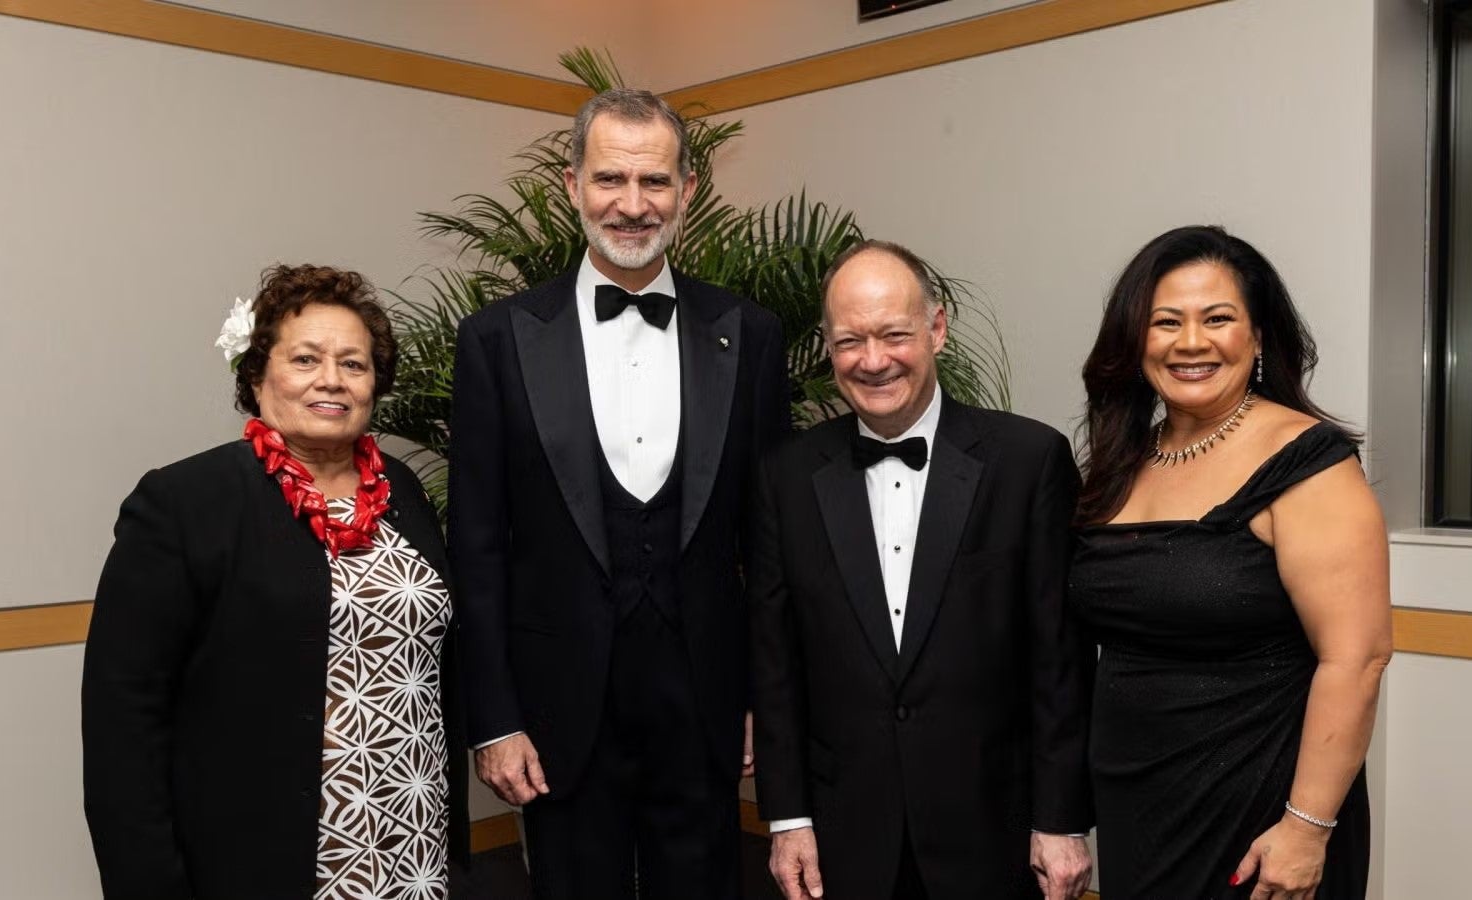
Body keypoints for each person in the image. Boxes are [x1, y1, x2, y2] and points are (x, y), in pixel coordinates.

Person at [448, 88, 789, 899]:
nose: (632, 206)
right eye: (610, 180)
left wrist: (760, 700)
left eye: (655, 183)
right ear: (571, 186)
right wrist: (494, 718)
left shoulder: (750, 332)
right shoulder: (496, 341)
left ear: (688, 193)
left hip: (703, 702)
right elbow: (478, 544)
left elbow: (772, 543)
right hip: (558, 708)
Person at [83, 264, 468, 899]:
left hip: (410, 834)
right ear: (258, 375)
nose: (332, 380)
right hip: (269, 853)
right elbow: (122, 720)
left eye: (354, 363)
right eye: (307, 359)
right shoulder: (185, 502)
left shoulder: (400, 489)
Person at [750, 240, 1094, 900]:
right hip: (843, 832)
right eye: (850, 340)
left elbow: (1060, 662)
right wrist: (789, 818)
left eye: (894, 334)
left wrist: (1062, 819)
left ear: (936, 329)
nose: (872, 361)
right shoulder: (785, 476)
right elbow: (775, 663)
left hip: (994, 826)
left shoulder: (1028, 462)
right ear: (827, 345)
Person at [1070, 225, 1391, 899]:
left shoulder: (1307, 461)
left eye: (1218, 319)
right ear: (1135, 340)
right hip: (1140, 804)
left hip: (1261, 816)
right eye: (1166, 322)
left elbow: (1356, 659)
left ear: (1258, 336)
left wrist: (1307, 828)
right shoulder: (1124, 460)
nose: (1191, 342)